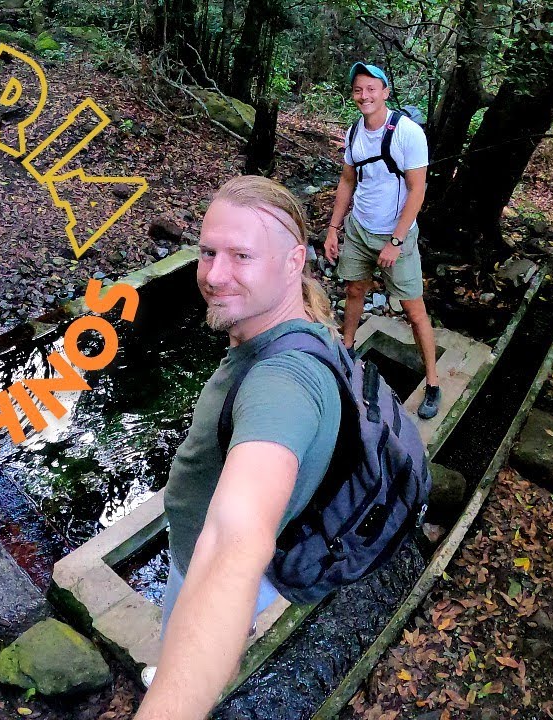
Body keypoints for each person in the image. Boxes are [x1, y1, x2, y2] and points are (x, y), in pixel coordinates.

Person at [134, 176, 343, 719]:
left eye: (242, 256)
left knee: (190, 629)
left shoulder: (284, 383)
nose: (214, 275)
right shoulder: (298, 328)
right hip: (257, 554)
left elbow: (234, 542)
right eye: (208, 252)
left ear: (294, 261)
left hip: (201, 564)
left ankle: (185, 675)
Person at [324, 61, 441, 419]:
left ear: (385, 92)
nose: (364, 96)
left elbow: (417, 190)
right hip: (360, 228)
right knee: (354, 290)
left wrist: (396, 241)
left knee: (414, 310)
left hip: (396, 235)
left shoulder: (408, 133)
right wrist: (333, 228)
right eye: (358, 90)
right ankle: (347, 349)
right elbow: (348, 180)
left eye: (371, 88)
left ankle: (433, 383)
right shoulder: (354, 132)